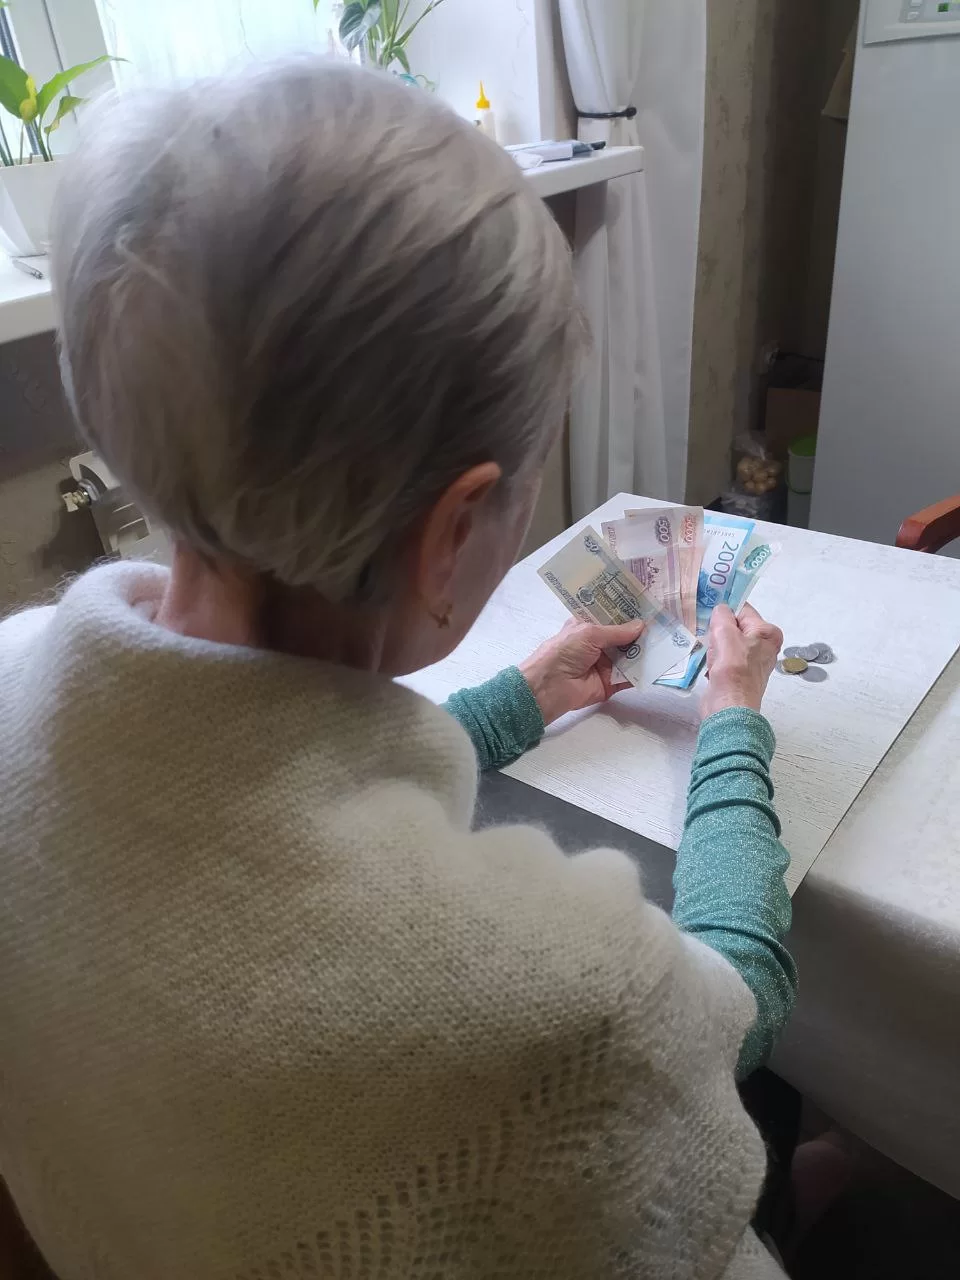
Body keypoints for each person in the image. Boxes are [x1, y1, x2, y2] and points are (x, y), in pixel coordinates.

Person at [0, 59, 796, 1279]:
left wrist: (515, 700)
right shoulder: (555, 991)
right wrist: (734, 722)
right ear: (452, 529)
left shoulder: (19, 698)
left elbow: (240, 798)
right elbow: (727, 1009)